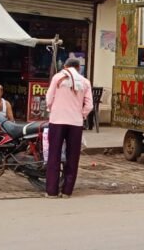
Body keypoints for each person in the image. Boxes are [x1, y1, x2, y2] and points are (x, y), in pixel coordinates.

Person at [45, 58, 93, 199]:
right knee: (73, 157)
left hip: (57, 121)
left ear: (65, 66)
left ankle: (52, 191)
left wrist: (52, 109)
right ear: (78, 68)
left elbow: (48, 98)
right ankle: (67, 191)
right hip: (75, 123)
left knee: (54, 155)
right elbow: (89, 105)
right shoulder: (85, 82)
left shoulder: (57, 77)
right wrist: (81, 115)